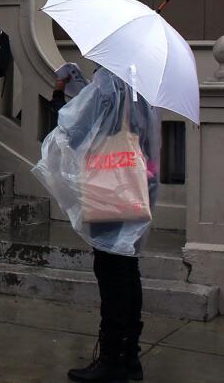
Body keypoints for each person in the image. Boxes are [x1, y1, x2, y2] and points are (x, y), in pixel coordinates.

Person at [50, 68, 158, 383]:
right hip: (135, 182)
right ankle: (128, 358)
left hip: (108, 186)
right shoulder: (142, 85)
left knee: (110, 271)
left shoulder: (108, 82)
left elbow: (75, 129)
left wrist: (62, 95)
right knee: (127, 270)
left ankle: (111, 360)